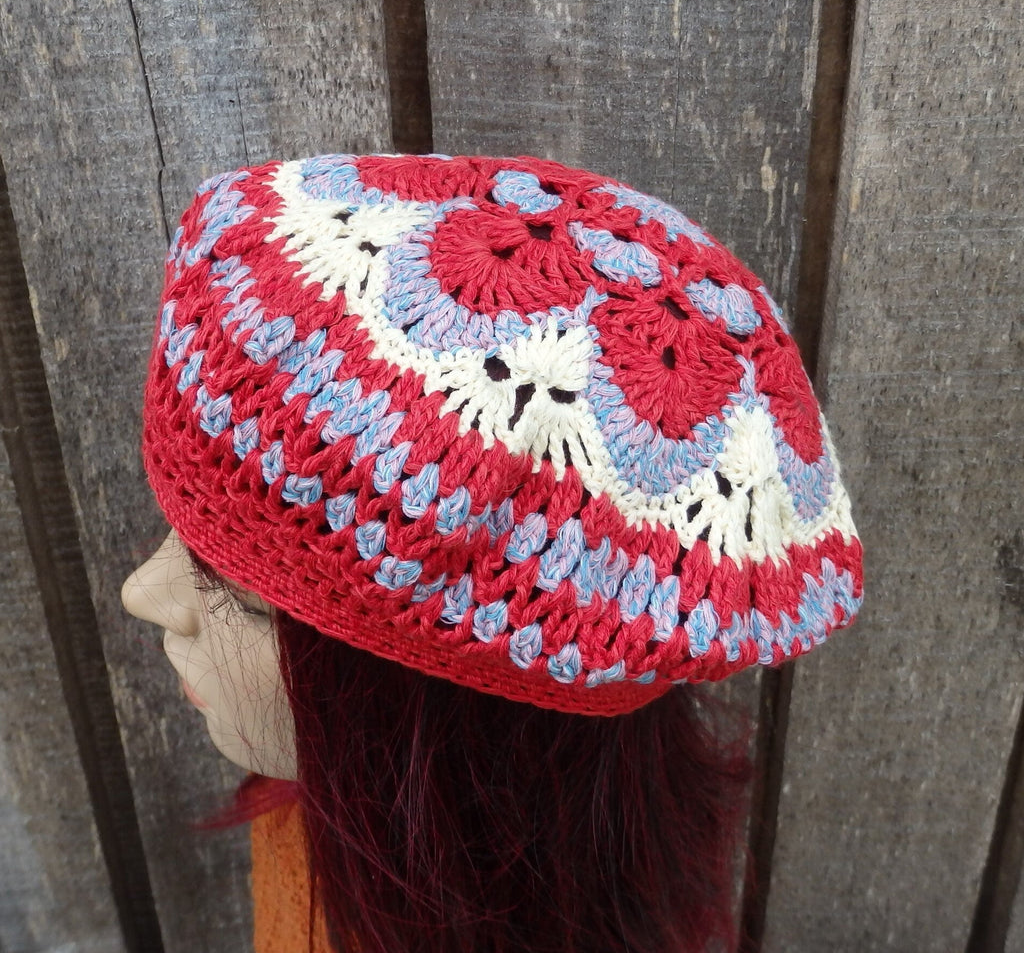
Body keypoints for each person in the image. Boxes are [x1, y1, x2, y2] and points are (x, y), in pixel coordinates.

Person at [122, 152, 863, 953]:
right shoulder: (308, 833)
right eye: (188, 539)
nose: (142, 592)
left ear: (449, 709)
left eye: (243, 591)